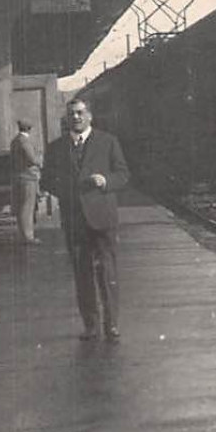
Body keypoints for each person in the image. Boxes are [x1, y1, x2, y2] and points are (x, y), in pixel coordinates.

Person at [45, 98, 129, 342]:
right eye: (72, 114)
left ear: (90, 116)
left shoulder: (108, 142)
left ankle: (112, 324)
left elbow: (123, 174)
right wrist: (66, 188)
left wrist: (106, 182)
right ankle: (90, 325)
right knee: (82, 275)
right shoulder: (56, 148)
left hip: (103, 217)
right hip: (75, 219)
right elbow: (47, 180)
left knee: (107, 272)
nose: (76, 118)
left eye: (81, 113)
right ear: (67, 118)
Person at [9, 118, 42, 245]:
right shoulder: (25, 141)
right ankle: (28, 237)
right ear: (29, 129)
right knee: (28, 207)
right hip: (28, 178)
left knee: (21, 207)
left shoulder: (15, 141)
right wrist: (41, 162)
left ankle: (23, 235)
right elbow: (32, 159)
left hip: (18, 177)